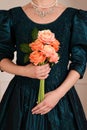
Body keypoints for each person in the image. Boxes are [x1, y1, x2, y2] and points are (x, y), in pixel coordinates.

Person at [0, 0, 87, 129]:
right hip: (21, 97)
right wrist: (26, 71)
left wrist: (57, 94)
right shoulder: (12, 16)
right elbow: (1, 59)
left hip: (61, 98)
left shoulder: (74, 17)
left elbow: (79, 63)